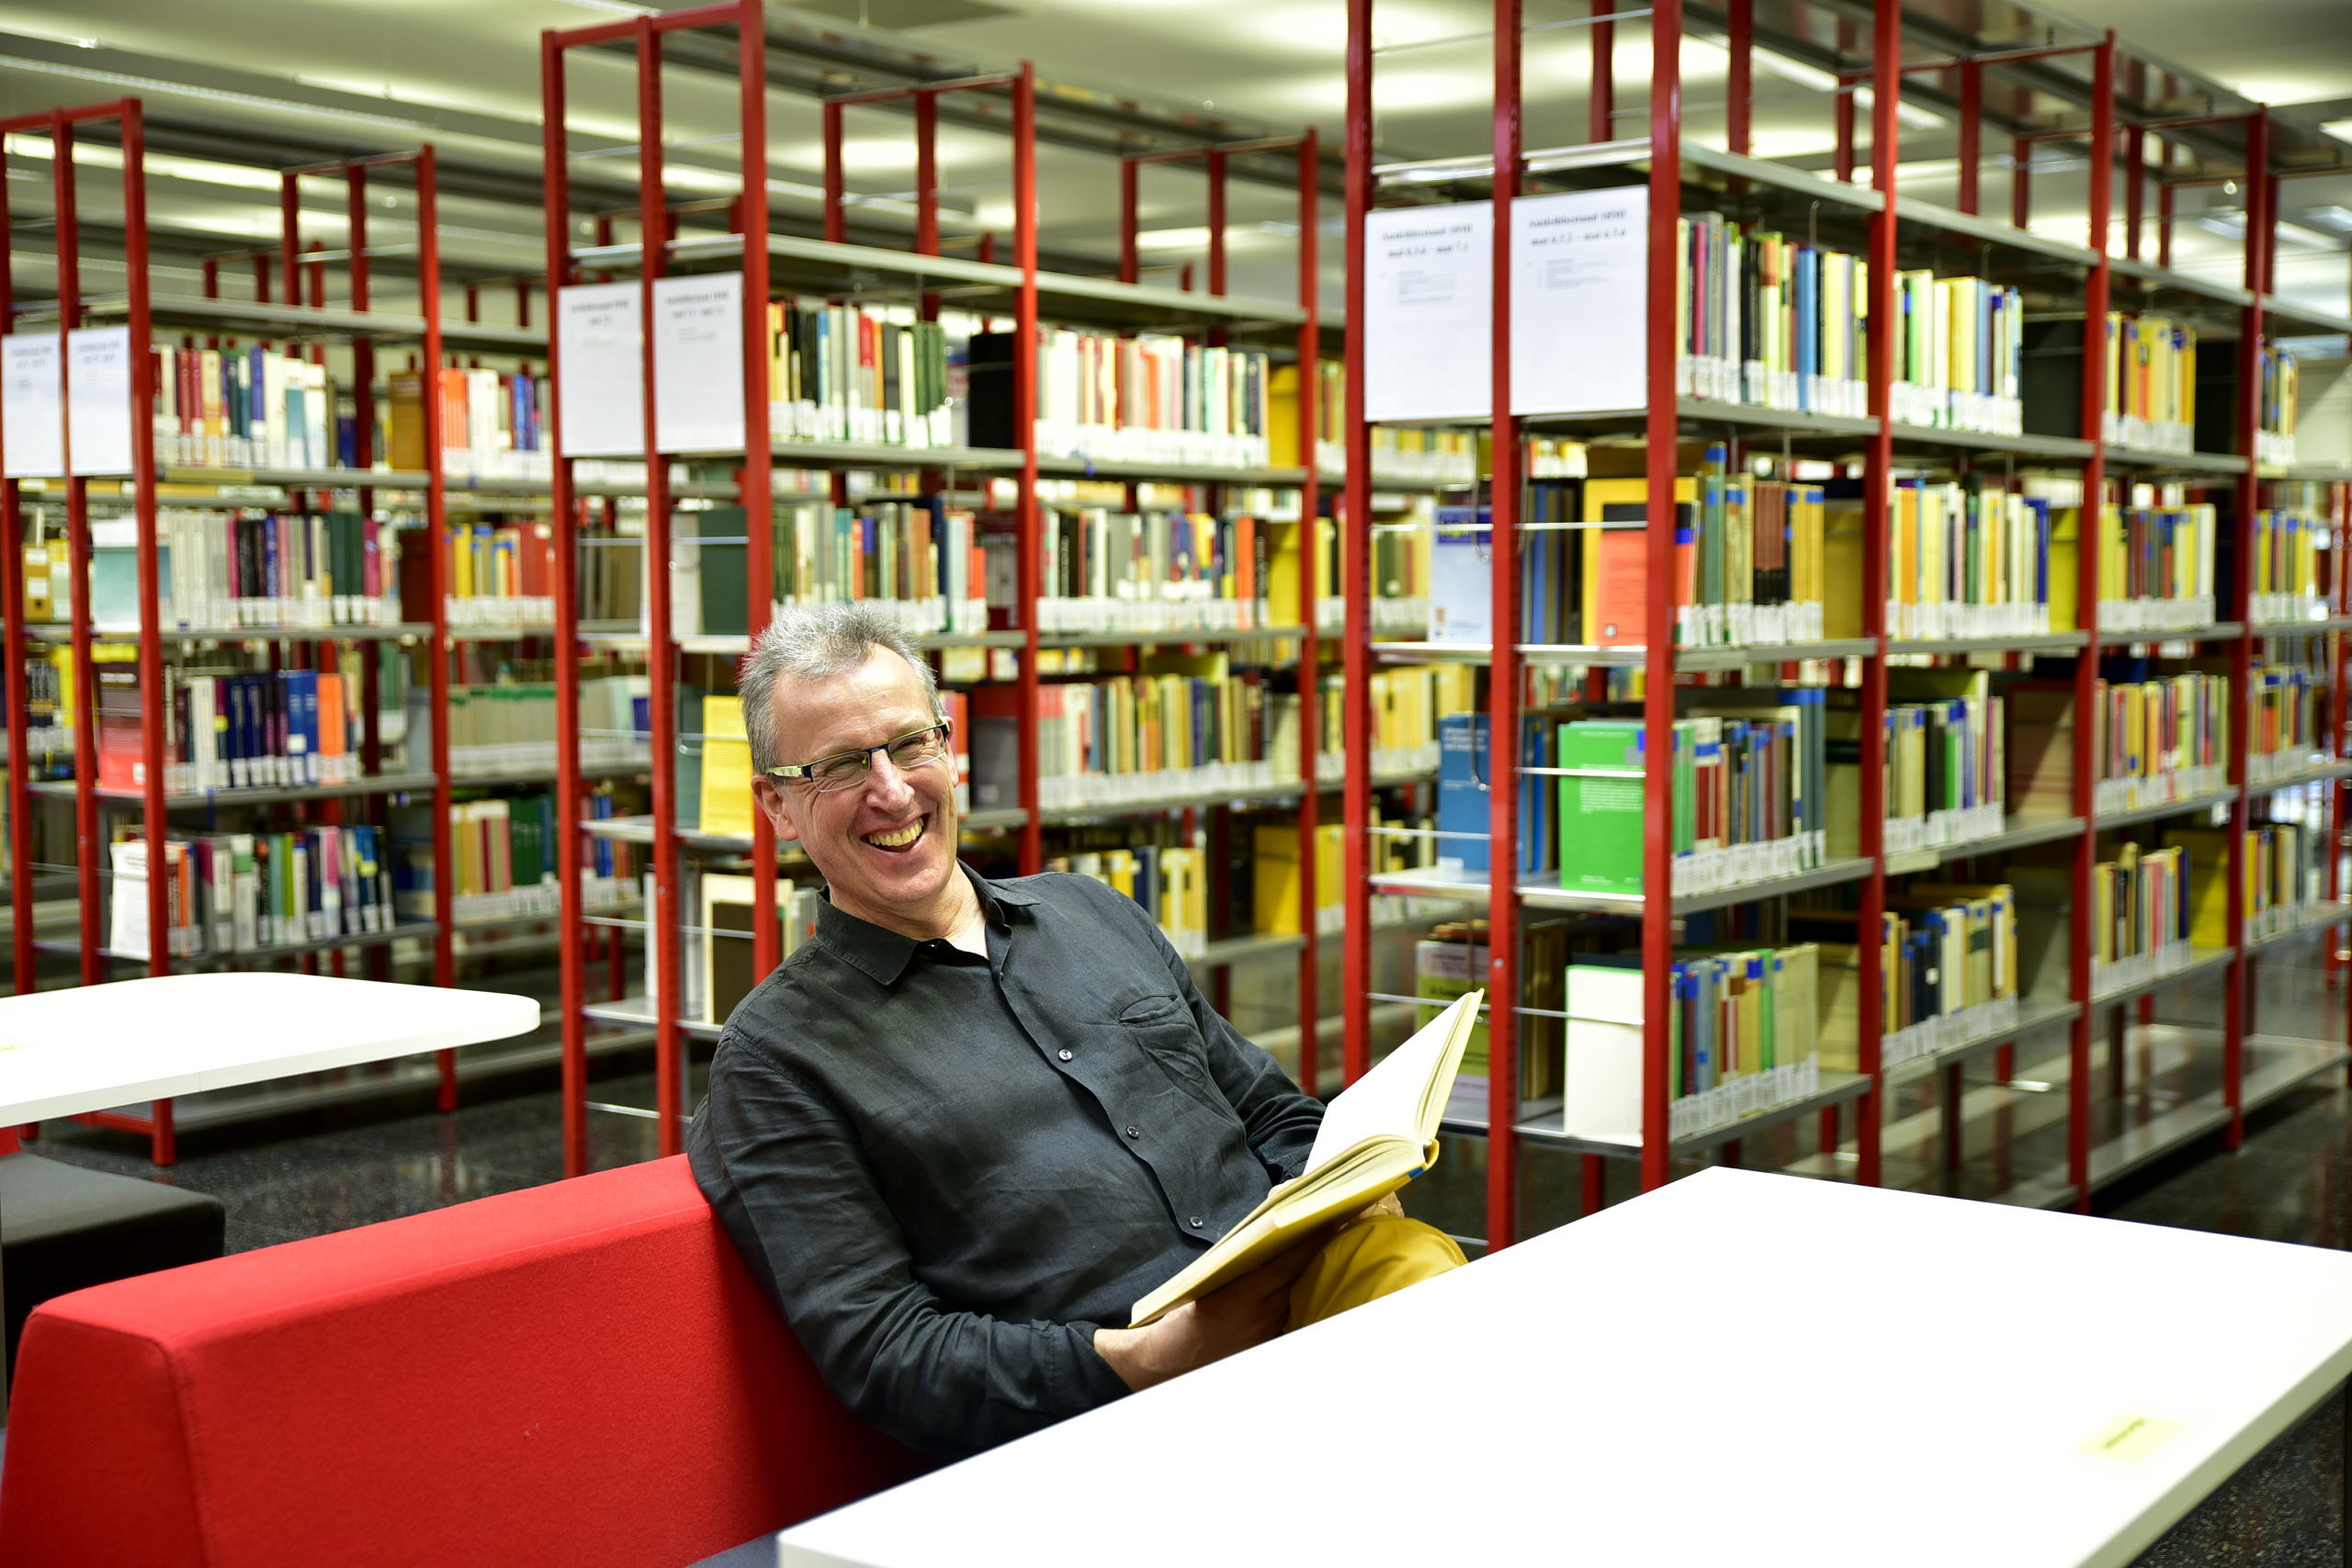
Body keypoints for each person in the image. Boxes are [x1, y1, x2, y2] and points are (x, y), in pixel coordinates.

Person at [687, 602, 1464, 1460]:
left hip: (1301, 1305)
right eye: (839, 765)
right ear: (778, 805)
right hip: (1115, 1418)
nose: (893, 789)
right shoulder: (777, 1059)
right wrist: (1140, 1360)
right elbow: (885, 1353)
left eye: (912, 743)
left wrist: (1342, 1182)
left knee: (1418, 1278)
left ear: (949, 746)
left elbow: (1271, 1113)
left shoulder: (1090, 912)